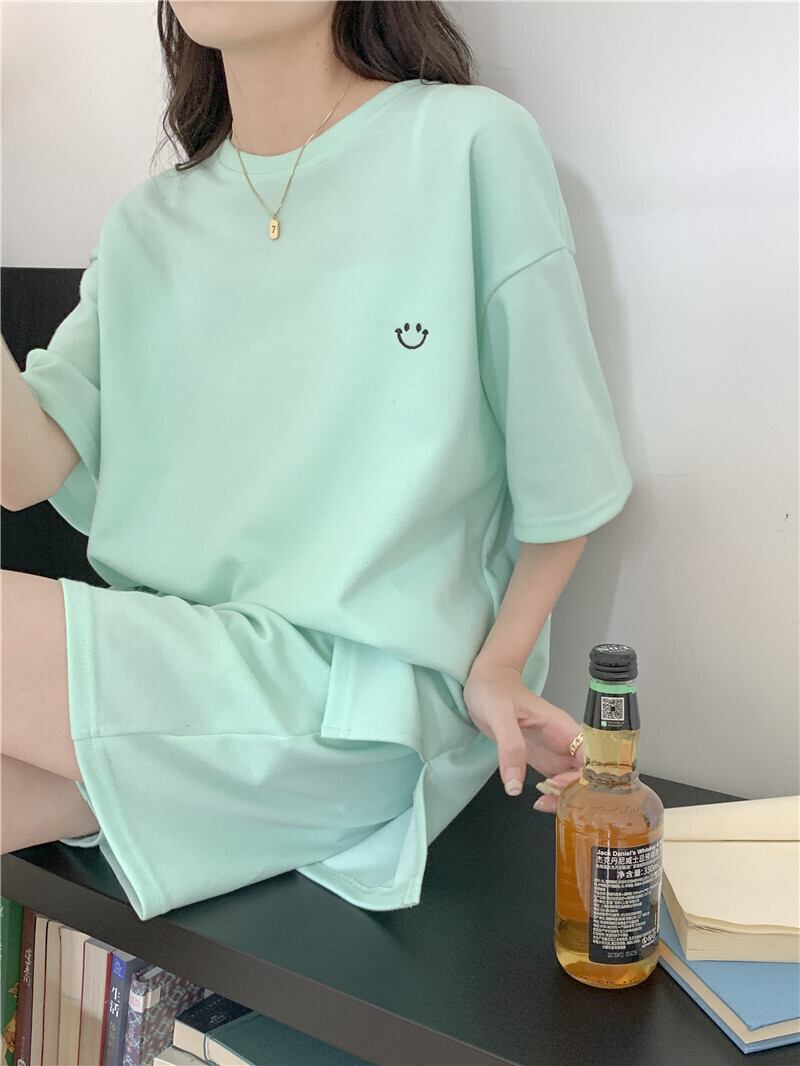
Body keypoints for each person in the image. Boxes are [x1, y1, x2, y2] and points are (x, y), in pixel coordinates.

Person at [0, 1, 633, 921]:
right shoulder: (147, 226)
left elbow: (565, 465)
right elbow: (24, 470)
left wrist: (499, 664)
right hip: (187, 693)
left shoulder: (467, 145)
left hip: (366, 709)